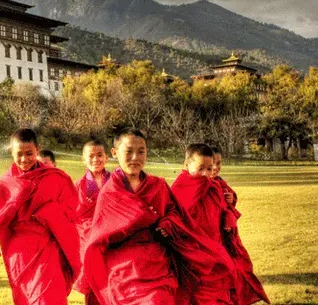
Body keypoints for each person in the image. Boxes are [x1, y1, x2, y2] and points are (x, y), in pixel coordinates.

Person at [83, 130, 232, 305]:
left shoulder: (158, 185)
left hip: (157, 265)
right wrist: (142, 217)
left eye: (141, 151)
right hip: (125, 270)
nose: (135, 157)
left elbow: (175, 213)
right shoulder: (110, 193)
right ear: (115, 153)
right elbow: (100, 237)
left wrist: (167, 224)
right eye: (129, 151)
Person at [0, 129, 81, 305]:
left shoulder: (55, 177)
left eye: (29, 153)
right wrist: (16, 200)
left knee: (49, 298)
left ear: (38, 150)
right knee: (27, 298)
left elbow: (72, 210)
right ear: (11, 152)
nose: (24, 159)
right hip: (20, 252)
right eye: (19, 154)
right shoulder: (6, 183)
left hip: (48, 246)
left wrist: (50, 212)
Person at [171, 143, 237, 305]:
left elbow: (223, 209)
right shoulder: (180, 187)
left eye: (209, 168)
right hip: (193, 252)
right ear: (187, 165)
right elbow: (172, 216)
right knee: (198, 294)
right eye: (200, 168)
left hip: (215, 244)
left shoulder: (214, 186)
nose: (206, 174)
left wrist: (229, 211)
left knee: (219, 290)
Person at [211, 147, 270, 305]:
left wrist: (231, 198)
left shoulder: (220, 182)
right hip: (212, 235)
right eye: (212, 164)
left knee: (237, 266)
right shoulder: (202, 183)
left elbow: (229, 200)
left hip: (226, 235)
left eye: (219, 163)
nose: (216, 167)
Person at [73, 140, 111, 305]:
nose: (96, 160)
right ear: (83, 159)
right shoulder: (78, 186)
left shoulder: (116, 180)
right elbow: (76, 215)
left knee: (112, 279)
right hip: (88, 237)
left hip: (111, 235)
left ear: (107, 157)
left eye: (100, 155)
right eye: (91, 156)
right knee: (92, 276)